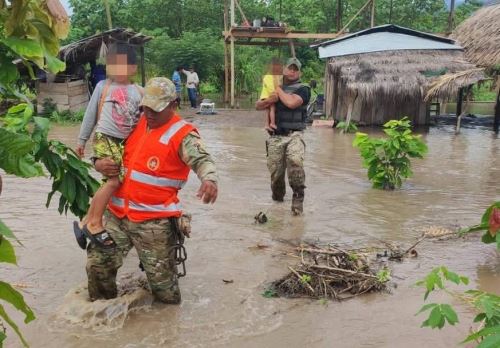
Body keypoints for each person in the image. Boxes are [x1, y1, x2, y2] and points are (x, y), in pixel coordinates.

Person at [88, 77, 218, 304]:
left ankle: (165, 332)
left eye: (155, 109)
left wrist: (209, 179)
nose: (149, 113)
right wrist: (98, 162)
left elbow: (202, 159)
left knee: (164, 292)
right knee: (98, 265)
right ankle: (101, 318)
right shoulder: (133, 123)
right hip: (116, 216)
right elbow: (104, 142)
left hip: (153, 223)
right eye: (145, 107)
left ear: (174, 104)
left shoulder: (183, 134)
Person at [74, 42, 143, 248]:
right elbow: (89, 116)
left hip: (125, 143)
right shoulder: (103, 87)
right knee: (114, 181)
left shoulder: (139, 91)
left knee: (113, 182)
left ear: (133, 69)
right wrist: (81, 141)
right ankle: (95, 222)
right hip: (105, 137)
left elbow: (144, 119)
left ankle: (86, 220)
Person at [255, 58, 310, 215]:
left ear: (300, 72)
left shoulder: (303, 88)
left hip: (295, 135)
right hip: (276, 137)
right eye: (290, 68)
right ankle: (277, 205)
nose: (292, 71)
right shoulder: (272, 86)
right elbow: (258, 105)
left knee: (295, 161)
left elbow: (291, 103)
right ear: (284, 70)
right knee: (276, 175)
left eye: (296, 69)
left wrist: (278, 91)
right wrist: (269, 100)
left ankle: (298, 202)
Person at [260, 57, 282, 131]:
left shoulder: (269, 76)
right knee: (272, 109)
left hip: (265, 96)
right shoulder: (269, 76)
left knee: (267, 111)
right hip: (268, 96)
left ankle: (267, 124)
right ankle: (272, 123)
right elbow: (270, 88)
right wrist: (275, 93)